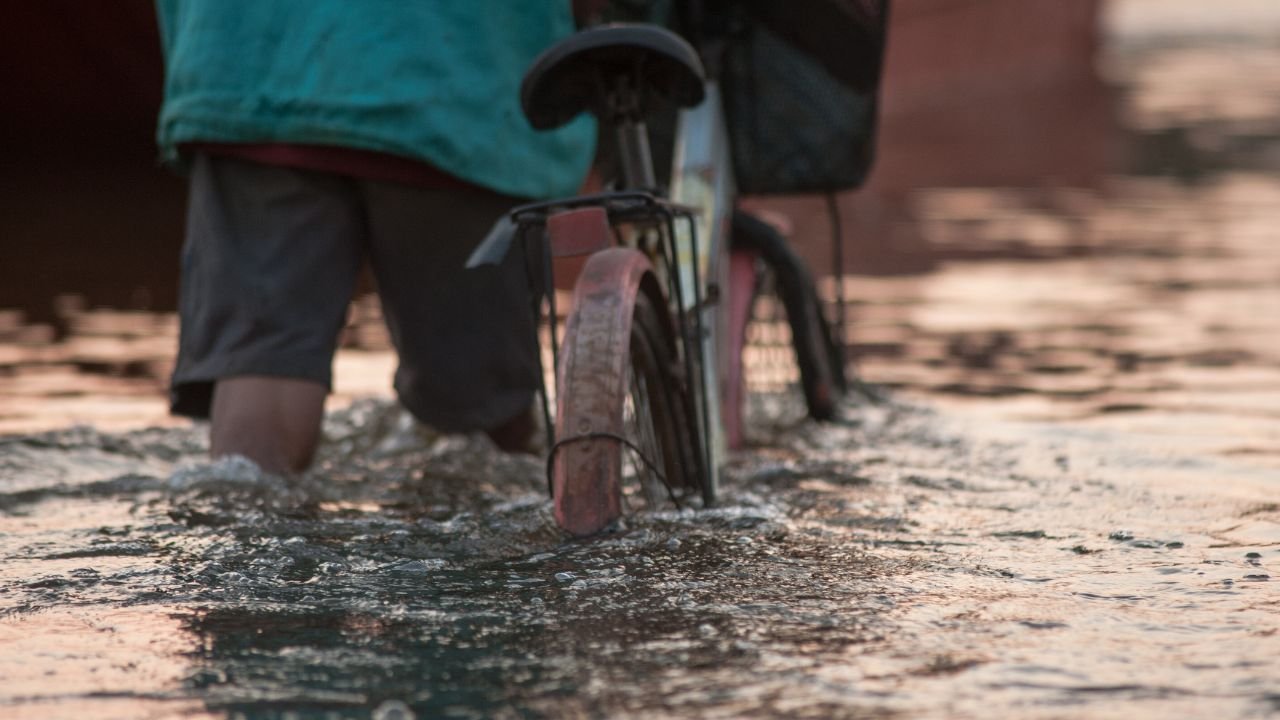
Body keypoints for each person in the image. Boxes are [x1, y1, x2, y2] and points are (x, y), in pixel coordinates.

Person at [154, 2, 595, 474]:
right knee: (480, 416)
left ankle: (244, 526)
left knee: (262, 366)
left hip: (248, 70)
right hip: (459, 88)